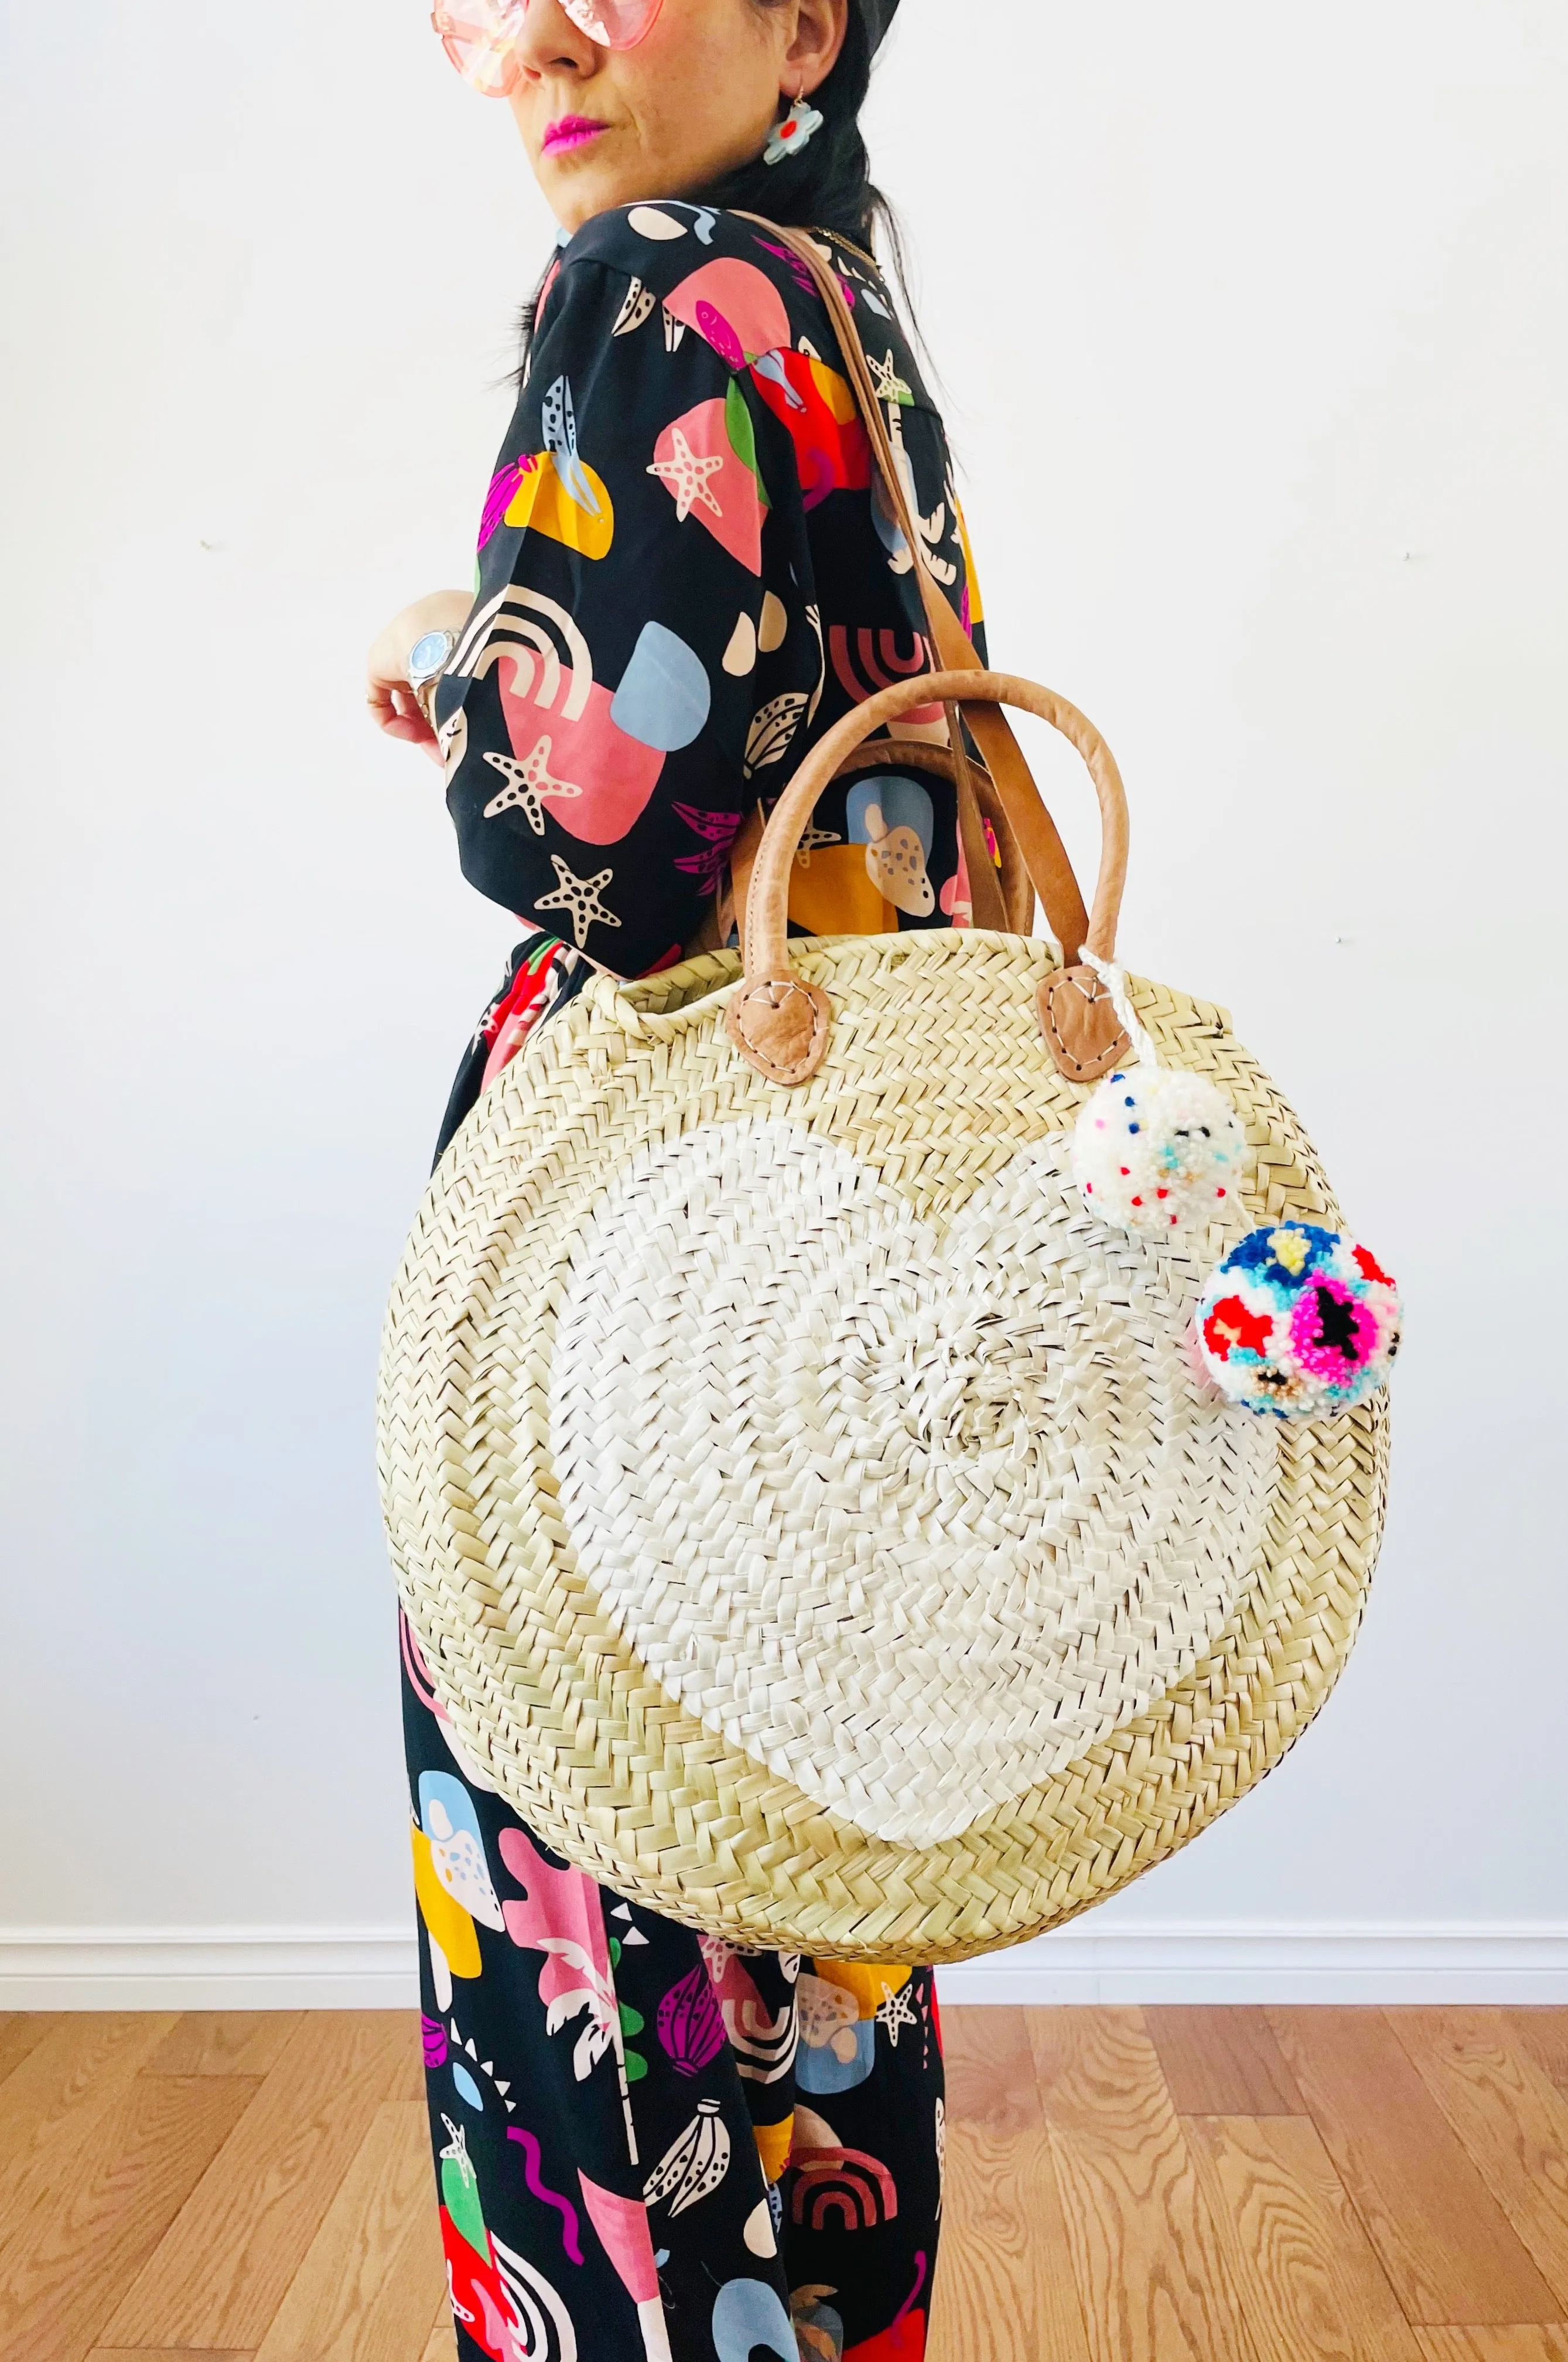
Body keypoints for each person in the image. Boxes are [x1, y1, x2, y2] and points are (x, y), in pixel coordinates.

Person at [367, 5, 988, 2355]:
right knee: (806, 1883)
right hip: (849, 1241)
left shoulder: (656, 284)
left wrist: (452, 669)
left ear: (804, 17)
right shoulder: (842, 313)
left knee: (597, 1879)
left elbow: (572, 823)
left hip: (631, 1265)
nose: (531, 34)